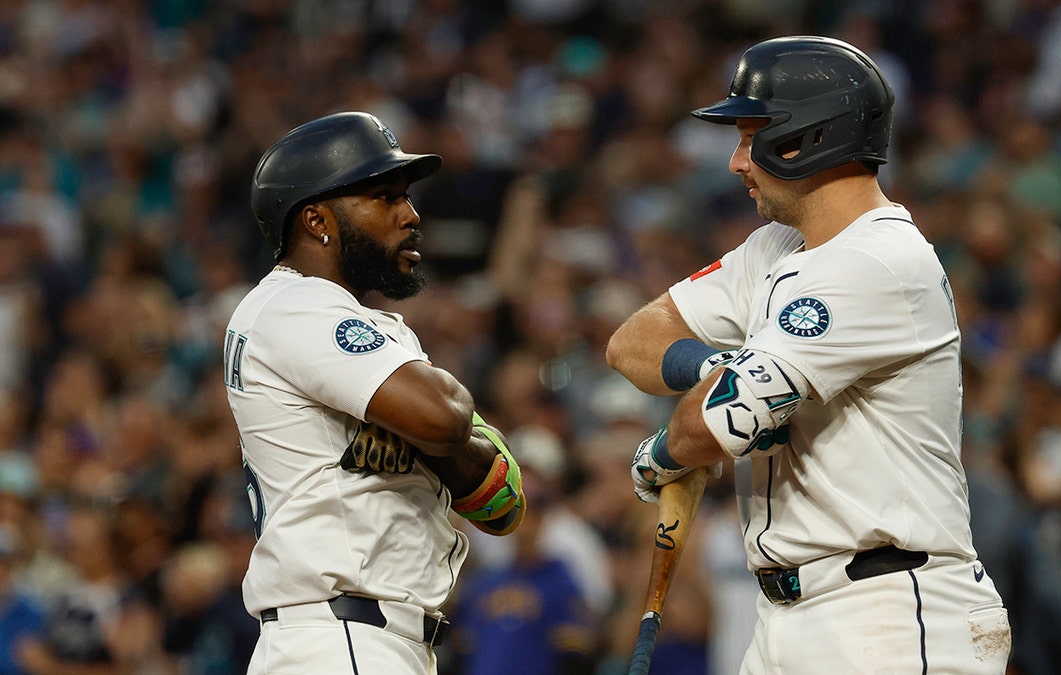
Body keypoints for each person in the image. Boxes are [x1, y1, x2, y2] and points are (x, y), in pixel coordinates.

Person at [606, 37, 1012, 674]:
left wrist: (662, 454)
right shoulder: (776, 246)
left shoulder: (878, 260)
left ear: (809, 137)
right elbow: (631, 341)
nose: (736, 162)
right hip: (787, 615)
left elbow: (711, 426)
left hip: (886, 611)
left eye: (751, 137)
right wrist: (717, 371)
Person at [226, 111, 526, 675]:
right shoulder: (295, 304)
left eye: (405, 196)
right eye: (384, 197)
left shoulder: (354, 325)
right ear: (317, 220)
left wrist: (428, 428)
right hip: (341, 638)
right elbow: (445, 418)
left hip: (362, 641)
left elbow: (500, 502)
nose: (410, 214)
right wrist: (433, 430)